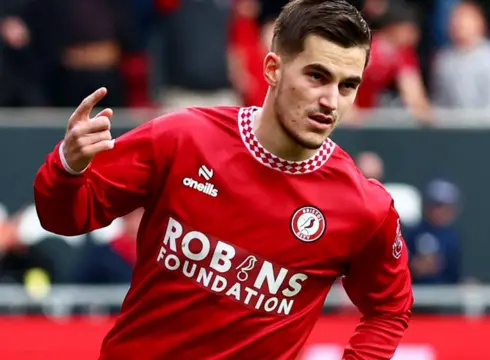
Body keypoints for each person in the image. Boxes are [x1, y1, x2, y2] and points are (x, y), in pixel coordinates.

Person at [33, 0, 413, 359]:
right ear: (272, 69)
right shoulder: (184, 136)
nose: (331, 100)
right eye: (317, 76)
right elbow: (66, 218)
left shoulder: (365, 207)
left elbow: (390, 309)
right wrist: (67, 166)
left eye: (348, 85)